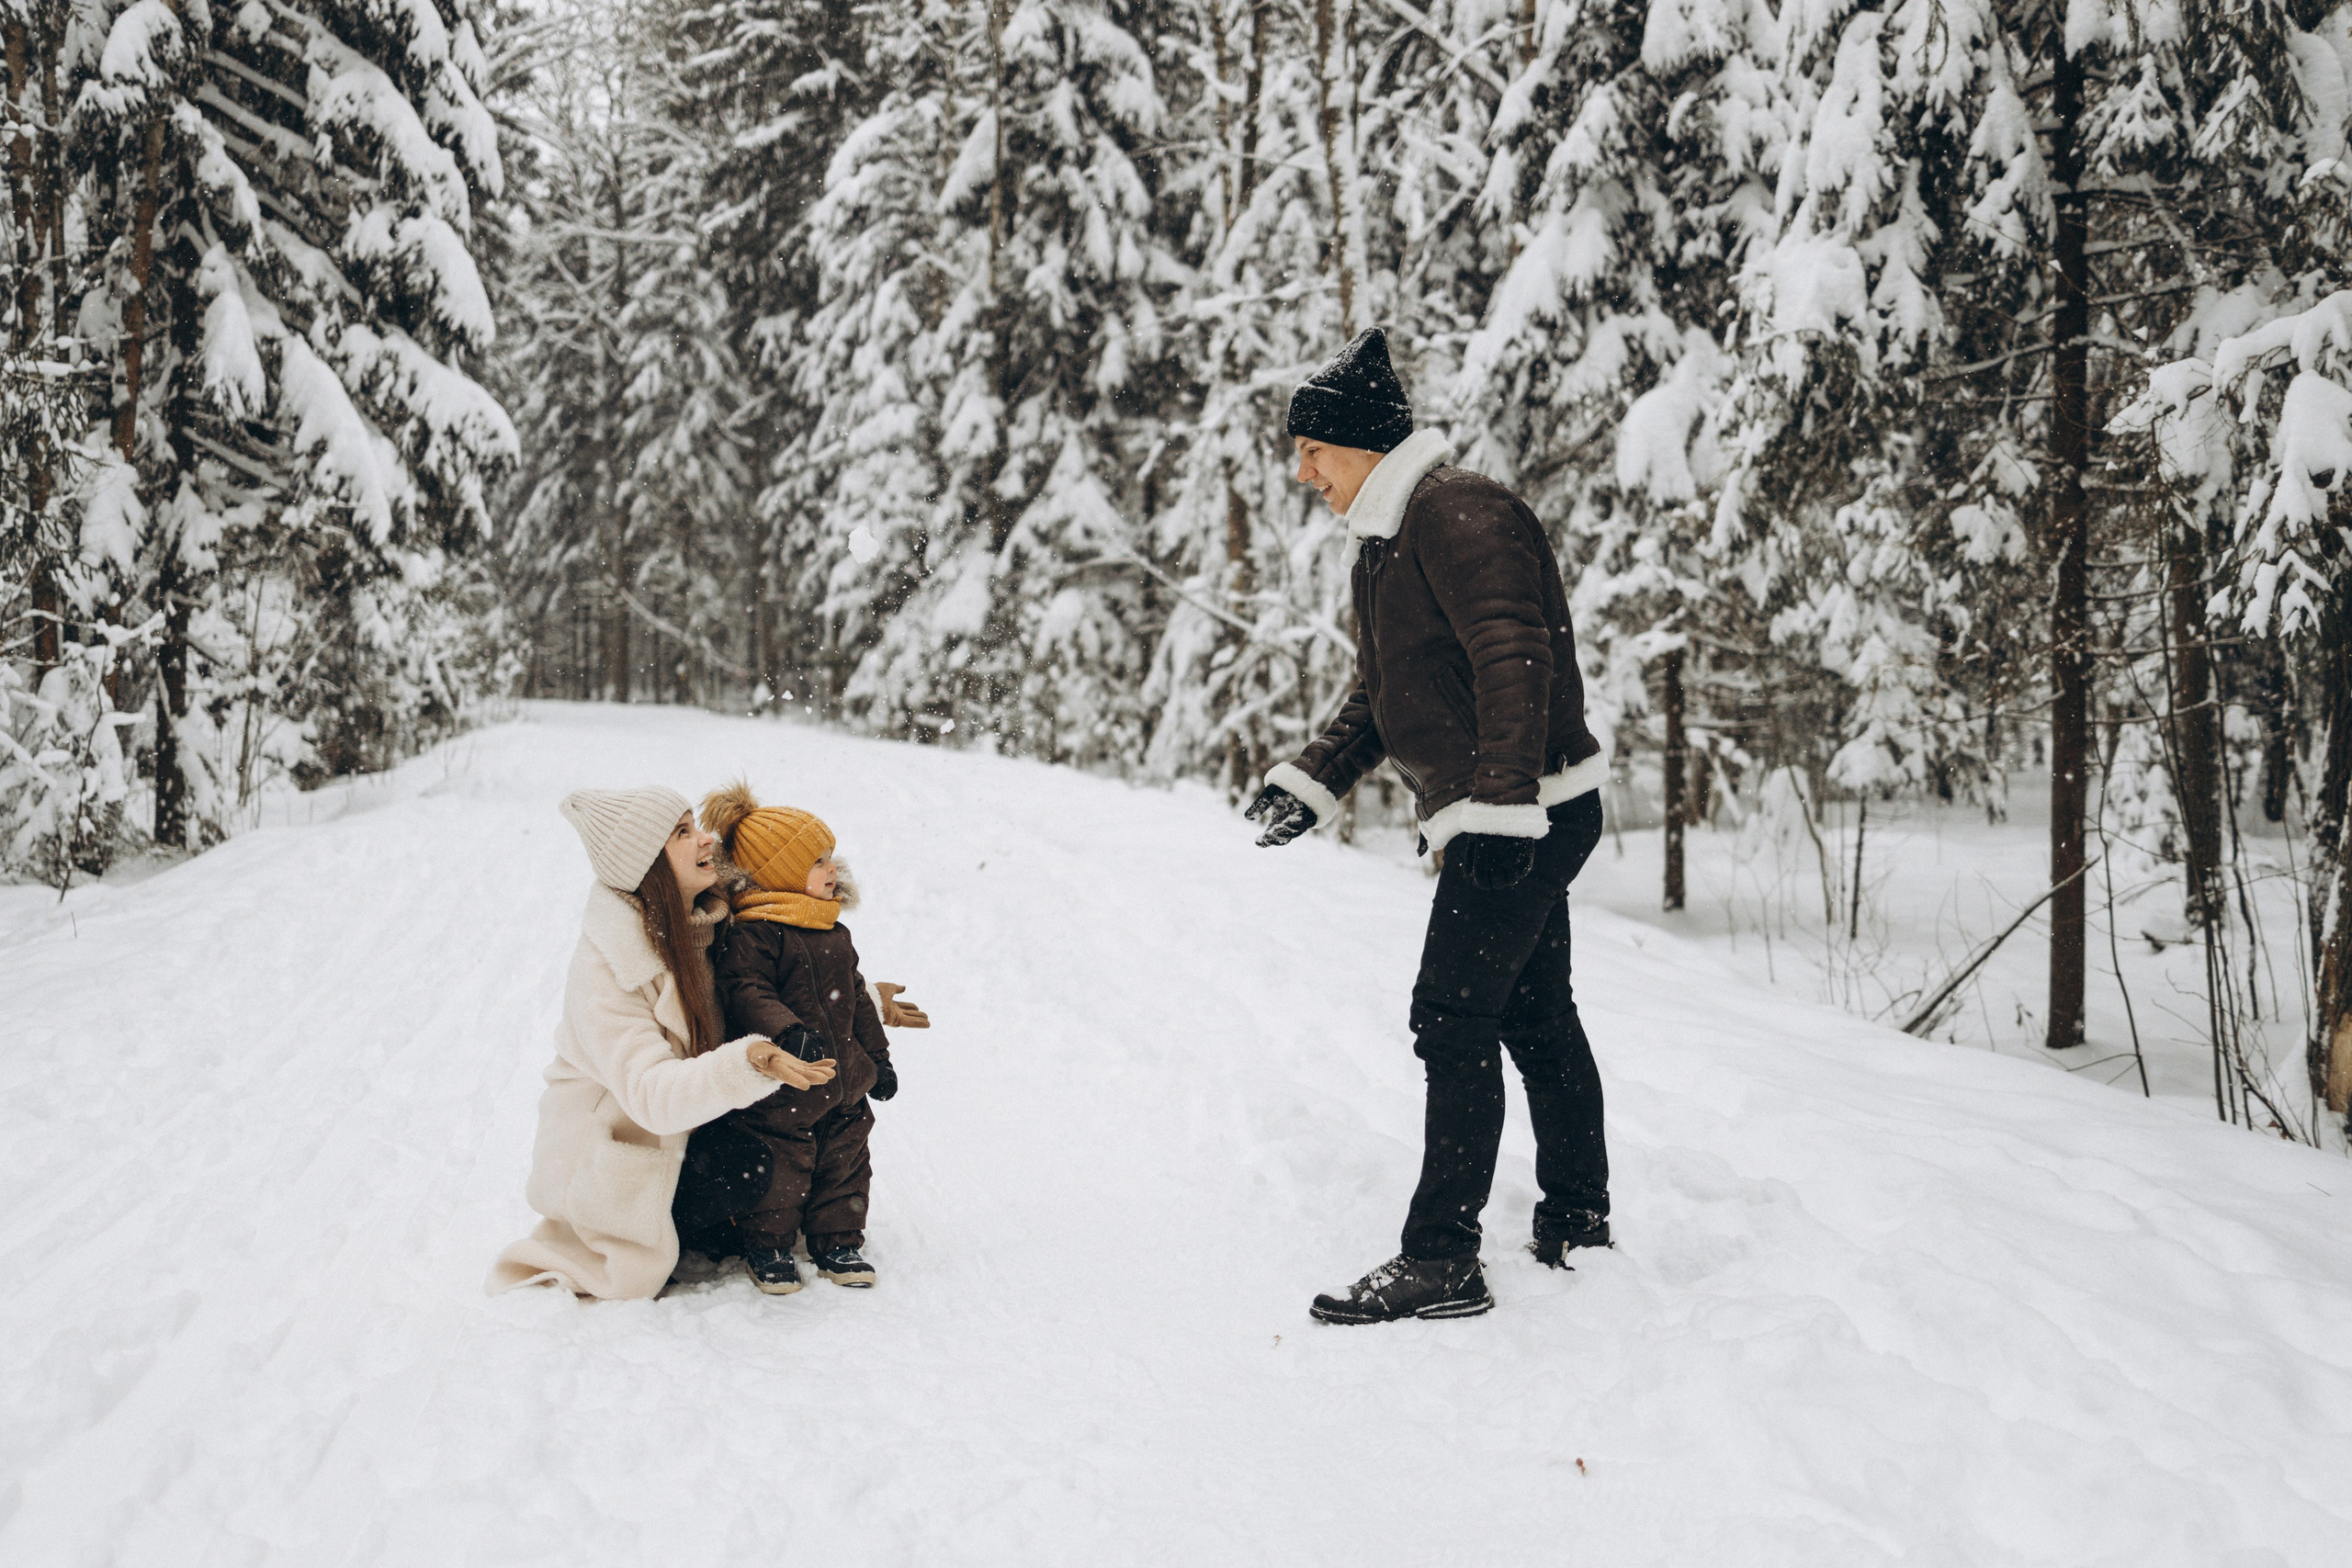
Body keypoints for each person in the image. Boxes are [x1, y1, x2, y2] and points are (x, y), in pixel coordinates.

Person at [1246, 327, 1612, 1325]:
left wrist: (1498, 810)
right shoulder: (1393, 535)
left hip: (1525, 810)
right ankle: (1577, 1217)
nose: (1303, 470)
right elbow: (1388, 691)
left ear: (1362, 444)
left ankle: (1444, 1256)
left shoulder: (1457, 514)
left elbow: (1512, 655)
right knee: (1535, 1015)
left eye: (1314, 450)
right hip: (1524, 805)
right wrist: (1314, 779)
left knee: (1451, 1018)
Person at [487, 786, 837, 1300]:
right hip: (614, 1157)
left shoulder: (706, 924)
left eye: (695, 824)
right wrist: (750, 1060)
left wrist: (866, 1002)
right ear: (648, 864)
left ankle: (706, 1222)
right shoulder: (608, 968)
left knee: (802, 1137)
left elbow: (765, 994)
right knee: (753, 1164)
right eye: (683, 832)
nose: (707, 839)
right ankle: (678, 1228)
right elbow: (651, 1095)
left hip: (685, 1131)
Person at [688, 784, 917, 1295]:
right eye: (816, 860)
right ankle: (767, 1242)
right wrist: (788, 1033)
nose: (831, 869)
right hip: (787, 1083)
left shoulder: (834, 932)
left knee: (847, 1161)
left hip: (845, 1082)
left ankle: (838, 1240)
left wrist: (879, 1060)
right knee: (783, 1166)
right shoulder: (756, 934)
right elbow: (746, 992)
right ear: (779, 873)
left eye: (830, 857)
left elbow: (857, 999)